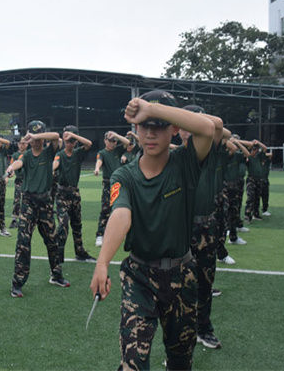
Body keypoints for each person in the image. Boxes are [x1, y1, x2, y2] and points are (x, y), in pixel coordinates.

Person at [90, 90, 214, 370]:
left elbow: (207, 128)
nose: (150, 134)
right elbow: (121, 214)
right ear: (136, 129)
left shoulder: (185, 163)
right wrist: (102, 262)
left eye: (159, 126)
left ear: (174, 129)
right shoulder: (125, 175)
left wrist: (151, 109)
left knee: (180, 362)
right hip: (139, 277)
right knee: (132, 362)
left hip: (181, 277)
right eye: (144, 126)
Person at [177, 104, 226, 349]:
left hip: (206, 227)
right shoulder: (174, 155)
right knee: (181, 287)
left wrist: (194, 118)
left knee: (205, 283)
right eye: (185, 125)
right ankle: (181, 340)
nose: (189, 128)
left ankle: (203, 329)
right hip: (180, 228)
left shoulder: (211, 150)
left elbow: (217, 125)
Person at [6, 120, 70, 298]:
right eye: (32, 137)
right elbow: (18, 163)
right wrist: (11, 167)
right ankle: (17, 283)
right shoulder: (26, 155)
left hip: (45, 203)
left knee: (52, 241)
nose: (36, 141)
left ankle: (56, 275)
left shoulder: (49, 152)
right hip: (28, 203)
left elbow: (56, 136)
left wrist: (36, 135)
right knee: (23, 243)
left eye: (38, 136)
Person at [52, 125, 96, 263]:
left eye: (71, 141)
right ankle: (58, 253)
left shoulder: (78, 153)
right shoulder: (60, 154)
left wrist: (73, 135)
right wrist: (51, 169)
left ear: (75, 141)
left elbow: (89, 144)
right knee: (63, 224)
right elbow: (55, 162)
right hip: (62, 194)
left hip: (75, 193)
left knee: (77, 224)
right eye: (67, 141)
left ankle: (79, 252)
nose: (69, 143)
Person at [93, 130, 129, 247]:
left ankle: (124, 232)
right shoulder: (102, 153)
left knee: (122, 208)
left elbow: (128, 143)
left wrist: (116, 135)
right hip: (108, 184)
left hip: (119, 183)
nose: (113, 143)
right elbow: (99, 161)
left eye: (114, 141)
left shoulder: (118, 150)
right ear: (105, 141)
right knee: (105, 209)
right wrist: (97, 169)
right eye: (110, 141)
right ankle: (100, 235)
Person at [242, 139, 268, 223]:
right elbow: (246, 151)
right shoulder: (248, 157)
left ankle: (256, 214)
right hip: (251, 179)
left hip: (259, 180)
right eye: (253, 150)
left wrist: (258, 142)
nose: (255, 151)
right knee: (251, 197)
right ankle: (247, 215)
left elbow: (265, 148)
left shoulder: (259, 157)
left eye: (256, 150)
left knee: (257, 197)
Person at [9, 139, 28, 229]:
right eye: (20, 143)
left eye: (23, 143)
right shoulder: (15, 155)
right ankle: (14, 218)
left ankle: (26, 218)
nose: (21, 145)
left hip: (28, 180)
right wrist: (10, 173)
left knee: (27, 199)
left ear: (27, 144)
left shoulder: (29, 154)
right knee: (17, 199)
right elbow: (11, 166)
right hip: (19, 179)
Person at [260, 150, 273, 216]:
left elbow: (271, 154)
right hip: (257, 182)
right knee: (255, 198)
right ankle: (255, 212)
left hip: (265, 181)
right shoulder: (256, 162)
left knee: (265, 197)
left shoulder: (266, 162)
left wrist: (263, 154)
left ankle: (265, 210)